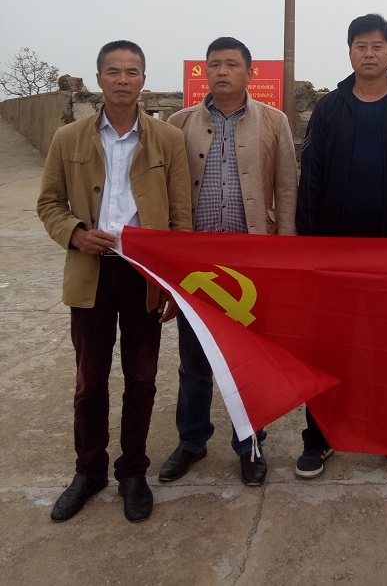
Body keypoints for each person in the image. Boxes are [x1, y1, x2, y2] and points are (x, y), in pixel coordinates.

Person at [37, 40, 192, 523]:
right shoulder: (69, 138)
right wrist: (75, 233)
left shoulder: (167, 139)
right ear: (99, 78)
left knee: (141, 379)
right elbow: (49, 203)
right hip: (91, 271)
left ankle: (133, 472)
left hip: (144, 274)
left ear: (144, 78)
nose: (123, 80)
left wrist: (174, 283)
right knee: (89, 380)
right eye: (114, 71)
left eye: (132, 71)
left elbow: (181, 217)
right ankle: (89, 471)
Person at [294, 13, 387, 481]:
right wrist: (309, 240)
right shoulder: (330, 108)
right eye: (361, 45)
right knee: (328, 348)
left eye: (378, 46)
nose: (369, 53)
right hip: (334, 248)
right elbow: (311, 175)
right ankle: (318, 438)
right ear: (350, 52)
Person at [158, 37, 297, 487]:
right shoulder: (180, 123)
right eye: (214, 64)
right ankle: (192, 441)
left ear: (249, 73)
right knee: (194, 358)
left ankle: (250, 442)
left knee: (248, 359)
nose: (222, 71)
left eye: (232, 64)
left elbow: (287, 188)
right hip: (196, 262)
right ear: (205, 72)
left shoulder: (274, 121)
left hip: (252, 260)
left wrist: (285, 252)